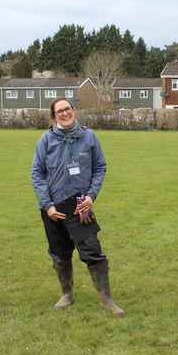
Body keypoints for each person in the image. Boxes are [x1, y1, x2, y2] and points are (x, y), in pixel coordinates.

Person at [31, 97, 124, 316]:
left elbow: (100, 167)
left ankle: (106, 299)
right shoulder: (46, 140)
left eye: (67, 109)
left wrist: (91, 196)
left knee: (93, 252)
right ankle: (67, 294)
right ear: (54, 116)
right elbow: (37, 173)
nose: (65, 113)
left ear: (74, 111)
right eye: (59, 111)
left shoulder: (89, 137)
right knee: (59, 254)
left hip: (81, 206)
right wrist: (47, 205)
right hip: (54, 208)